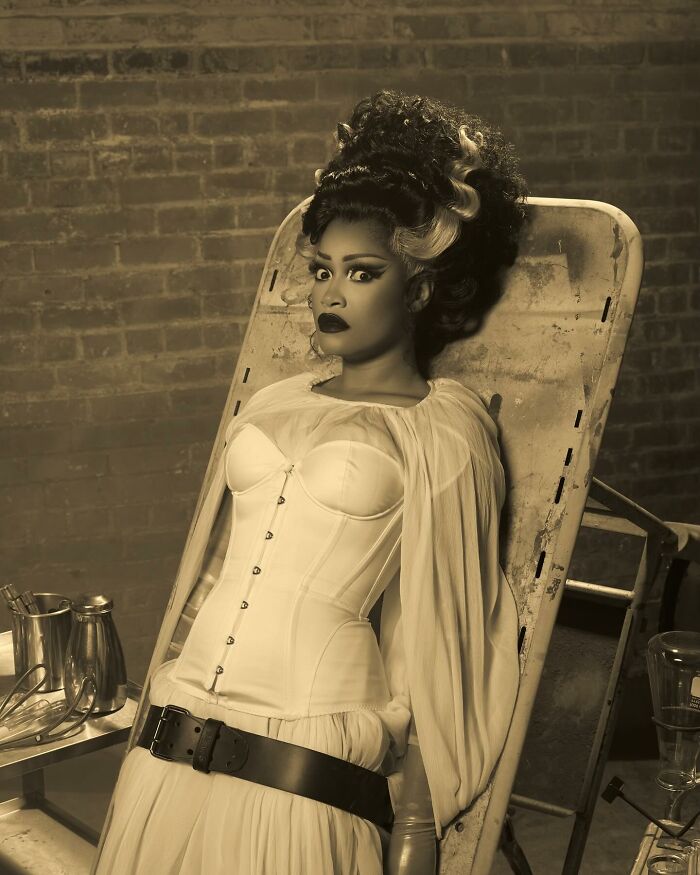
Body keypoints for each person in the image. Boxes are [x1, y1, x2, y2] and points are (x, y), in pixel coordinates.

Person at [91, 89, 527, 875]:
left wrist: (417, 823)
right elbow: (210, 576)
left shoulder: (443, 429)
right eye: (322, 269)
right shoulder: (273, 402)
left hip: (309, 754)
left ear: (419, 286)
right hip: (177, 732)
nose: (331, 292)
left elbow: (440, 636)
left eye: (362, 272)